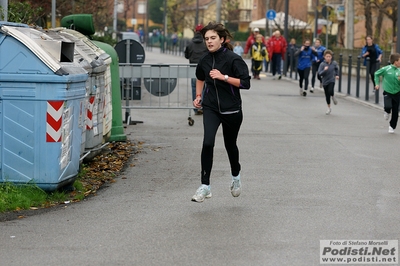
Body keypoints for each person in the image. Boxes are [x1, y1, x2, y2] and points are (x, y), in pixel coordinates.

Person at [191, 22, 251, 203]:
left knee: (230, 145)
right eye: (206, 39)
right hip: (211, 108)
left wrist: (223, 77)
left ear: (222, 40)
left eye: (213, 38)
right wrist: (198, 95)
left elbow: (245, 83)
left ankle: (236, 177)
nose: (209, 42)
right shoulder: (204, 60)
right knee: (207, 143)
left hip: (231, 109)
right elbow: (200, 77)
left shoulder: (233, 59)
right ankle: (205, 186)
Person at [184, 24, 208, 115]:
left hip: (193, 69)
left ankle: (196, 107)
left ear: (195, 31)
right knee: (205, 88)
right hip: (204, 68)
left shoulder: (190, 43)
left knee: (195, 88)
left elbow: (186, 55)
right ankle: (204, 107)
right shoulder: (206, 43)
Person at [374, 53, 400, 133]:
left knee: (396, 112)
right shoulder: (386, 69)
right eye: (399, 61)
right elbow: (376, 74)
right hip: (388, 92)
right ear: (395, 61)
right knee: (388, 106)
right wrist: (377, 84)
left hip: (397, 93)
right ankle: (387, 111)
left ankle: (392, 126)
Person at [318, 50, 339, 115]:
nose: (328, 58)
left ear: (331, 57)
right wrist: (324, 70)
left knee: (330, 90)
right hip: (325, 81)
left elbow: (336, 69)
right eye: (327, 56)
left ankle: (332, 96)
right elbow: (320, 73)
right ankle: (329, 108)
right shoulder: (322, 64)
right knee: (327, 95)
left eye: (329, 56)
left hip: (331, 80)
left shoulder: (334, 63)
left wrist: (337, 75)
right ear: (324, 57)